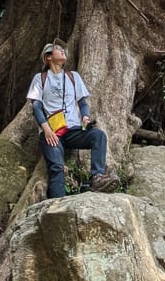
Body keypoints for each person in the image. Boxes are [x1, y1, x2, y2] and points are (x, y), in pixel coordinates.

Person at [26, 41, 120, 198]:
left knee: (98, 136)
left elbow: (82, 102)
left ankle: (97, 177)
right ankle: (58, 202)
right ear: (48, 57)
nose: (62, 51)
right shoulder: (40, 78)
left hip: (73, 130)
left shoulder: (73, 76)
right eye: (58, 49)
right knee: (56, 166)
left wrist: (85, 117)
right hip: (52, 133)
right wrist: (47, 130)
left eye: (63, 49)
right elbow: (36, 107)